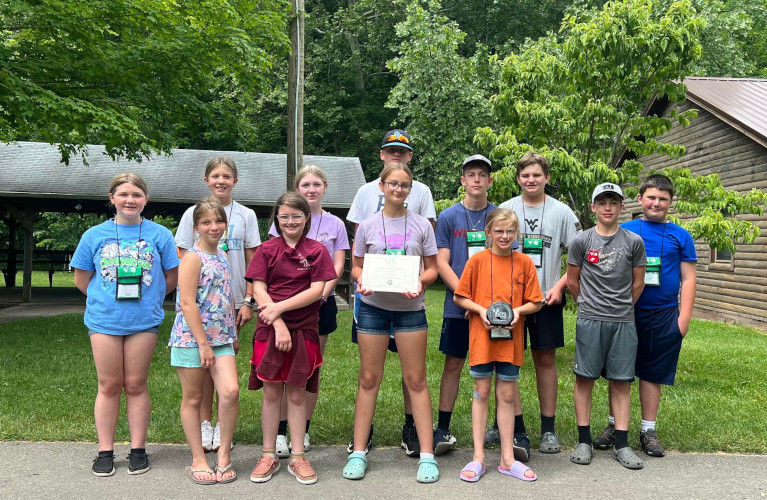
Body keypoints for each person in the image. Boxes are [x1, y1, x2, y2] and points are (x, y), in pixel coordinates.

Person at [72, 173, 180, 477]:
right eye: (123, 194)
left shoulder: (160, 235)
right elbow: (82, 280)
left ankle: (137, 448)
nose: (130, 200)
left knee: (135, 384)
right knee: (108, 385)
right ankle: (105, 450)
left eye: (136, 194)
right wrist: (105, 299)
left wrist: (152, 297)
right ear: (112, 199)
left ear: (145, 199)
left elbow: (171, 277)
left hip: (143, 320)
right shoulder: (94, 235)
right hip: (104, 320)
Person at [343, 162, 440, 483]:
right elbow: (356, 267)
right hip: (373, 308)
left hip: (411, 309)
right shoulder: (368, 226)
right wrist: (363, 280)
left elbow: (432, 268)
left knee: (416, 380)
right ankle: (358, 452)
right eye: (393, 184)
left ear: (410, 190)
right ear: (381, 187)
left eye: (404, 185)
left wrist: (421, 283)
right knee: (369, 378)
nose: (399, 189)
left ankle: (427, 455)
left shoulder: (422, 226)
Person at [591, 174, 695, 457]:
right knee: (619, 370)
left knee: (652, 372)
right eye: (651, 197)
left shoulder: (680, 236)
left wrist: (682, 320)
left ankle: (648, 429)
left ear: (671, 202)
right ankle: (614, 425)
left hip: (663, 314)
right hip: (625, 311)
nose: (656, 203)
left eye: (663, 199)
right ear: (639, 200)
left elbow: (688, 279)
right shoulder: (624, 230)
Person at [488, 152, 581, 459]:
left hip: (547, 299)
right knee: (506, 362)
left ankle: (548, 428)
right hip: (509, 302)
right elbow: (494, 253)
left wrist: (559, 286)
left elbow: (578, 257)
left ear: (547, 178)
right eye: (525, 175)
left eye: (537, 175)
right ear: (518, 178)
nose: (531, 180)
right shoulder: (507, 209)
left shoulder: (563, 212)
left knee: (545, 362)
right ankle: (509, 425)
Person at [247, 192, 337, 485]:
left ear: (306, 218)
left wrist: (281, 310)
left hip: (304, 330)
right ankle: (268, 454)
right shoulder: (266, 250)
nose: (290, 221)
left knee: (297, 393)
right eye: (284, 216)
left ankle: (297, 457)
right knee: (272, 393)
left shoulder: (317, 250)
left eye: (296, 216)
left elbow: (317, 290)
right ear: (277, 219)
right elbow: (259, 289)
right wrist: (278, 324)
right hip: (269, 330)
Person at [175, 157, 261, 452]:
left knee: (225, 368)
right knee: (204, 367)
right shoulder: (191, 214)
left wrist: (248, 300)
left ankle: (223, 427)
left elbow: (253, 260)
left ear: (235, 180)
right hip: (200, 302)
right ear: (207, 180)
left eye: (226, 176)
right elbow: (182, 252)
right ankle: (204, 425)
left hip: (231, 301)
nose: (221, 181)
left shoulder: (246, 215)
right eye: (215, 176)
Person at [453, 208, 543, 483]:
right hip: (482, 339)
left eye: (510, 232)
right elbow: (460, 297)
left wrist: (519, 312)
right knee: (481, 392)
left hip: (511, 340)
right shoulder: (477, 261)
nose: (504, 236)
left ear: (517, 234)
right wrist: (480, 310)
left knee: (507, 395)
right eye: (499, 231)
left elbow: (536, 301)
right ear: (489, 232)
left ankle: (507, 459)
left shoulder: (525, 262)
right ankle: (478, 456)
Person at [267, 165, 350, 455]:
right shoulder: (286, 218)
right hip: (283, 306)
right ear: (297, 188)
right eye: (305, 184)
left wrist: (323, 293)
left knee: (308, 368)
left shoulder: (336, 225)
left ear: (324, 187)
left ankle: (303, 431)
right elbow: (273, 261)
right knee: (279, 368)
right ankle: (278, 432)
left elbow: (337, 265)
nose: (311, 189)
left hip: (321, 304)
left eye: (316, 184)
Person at [566, 183, 647, 470]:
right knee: (584, 379)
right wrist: (587, 305)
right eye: (602, 202)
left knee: (621, 381)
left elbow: (638, 283)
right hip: (590, 319)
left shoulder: (634, 241)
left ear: (622, 207)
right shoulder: (581, 241)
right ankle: (584, 440)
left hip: (623, 320)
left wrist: (623, 306)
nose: (608, 207)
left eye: (613, 202)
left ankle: (622, 444)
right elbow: (572, 281)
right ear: (593, 207)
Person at [170, 198, 239, 484]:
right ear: (196, 227)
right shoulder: (192, 257)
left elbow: (226, 296)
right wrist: (202, 344)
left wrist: (232, 333)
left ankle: (223, 455)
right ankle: (198, 458)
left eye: (219, 221)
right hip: (191, 339)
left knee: (231, 391)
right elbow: (187, 303)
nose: (214, 227)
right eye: (207, 222)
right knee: (194, 397)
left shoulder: (222, 254)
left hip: (222, 337)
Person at [433, 154, 498, 455]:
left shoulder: (500, 216)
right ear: (462, 180)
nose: (476, 179)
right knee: (454, 363)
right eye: (470, 174)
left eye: (481, 174)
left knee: (499, 365)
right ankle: (442, 429)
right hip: (457, 305)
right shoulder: (448, 217)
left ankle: (503, 428)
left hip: (495, 307)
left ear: (489, 181)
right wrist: (465, 295)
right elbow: (441, 262)